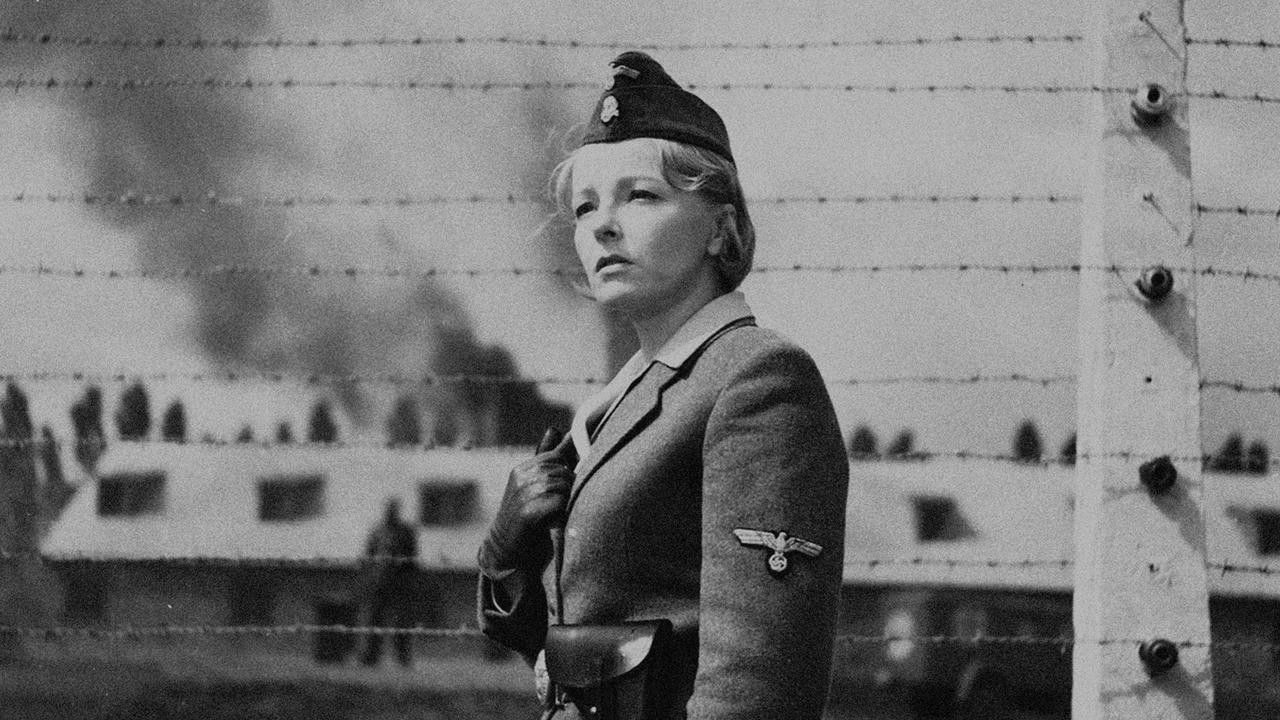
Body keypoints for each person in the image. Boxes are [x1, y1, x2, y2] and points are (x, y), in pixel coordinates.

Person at [477, 51, 849, 719]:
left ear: (721, 228)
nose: (602, 225)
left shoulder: (757, 381)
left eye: (641, 195)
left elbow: (754, 690)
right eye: (585, 207)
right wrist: (506, 555)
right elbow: (581, 649)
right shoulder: (616, 405)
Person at [360, 498, 418, 667]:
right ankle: (371, 656)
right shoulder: (378, 531)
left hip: (399, 582)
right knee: (375, 619)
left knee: (401, 621)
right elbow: (369, 555)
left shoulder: (405, 532)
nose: (390, 513)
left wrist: (408, 578)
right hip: (379, 582)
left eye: (393, 510)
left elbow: (412, 557)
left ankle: (403, 656)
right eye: (388, 509)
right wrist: (369, 576)